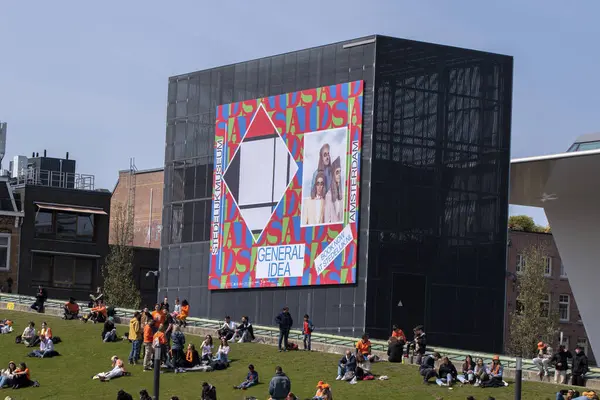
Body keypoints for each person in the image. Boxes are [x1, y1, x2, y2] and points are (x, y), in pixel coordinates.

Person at [324, 156, 343, 223]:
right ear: (333, 175)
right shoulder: (328, 195)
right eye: (337, 172)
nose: (339, 175)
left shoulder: (341, 195)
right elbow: (326, 220)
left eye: (340, 172)